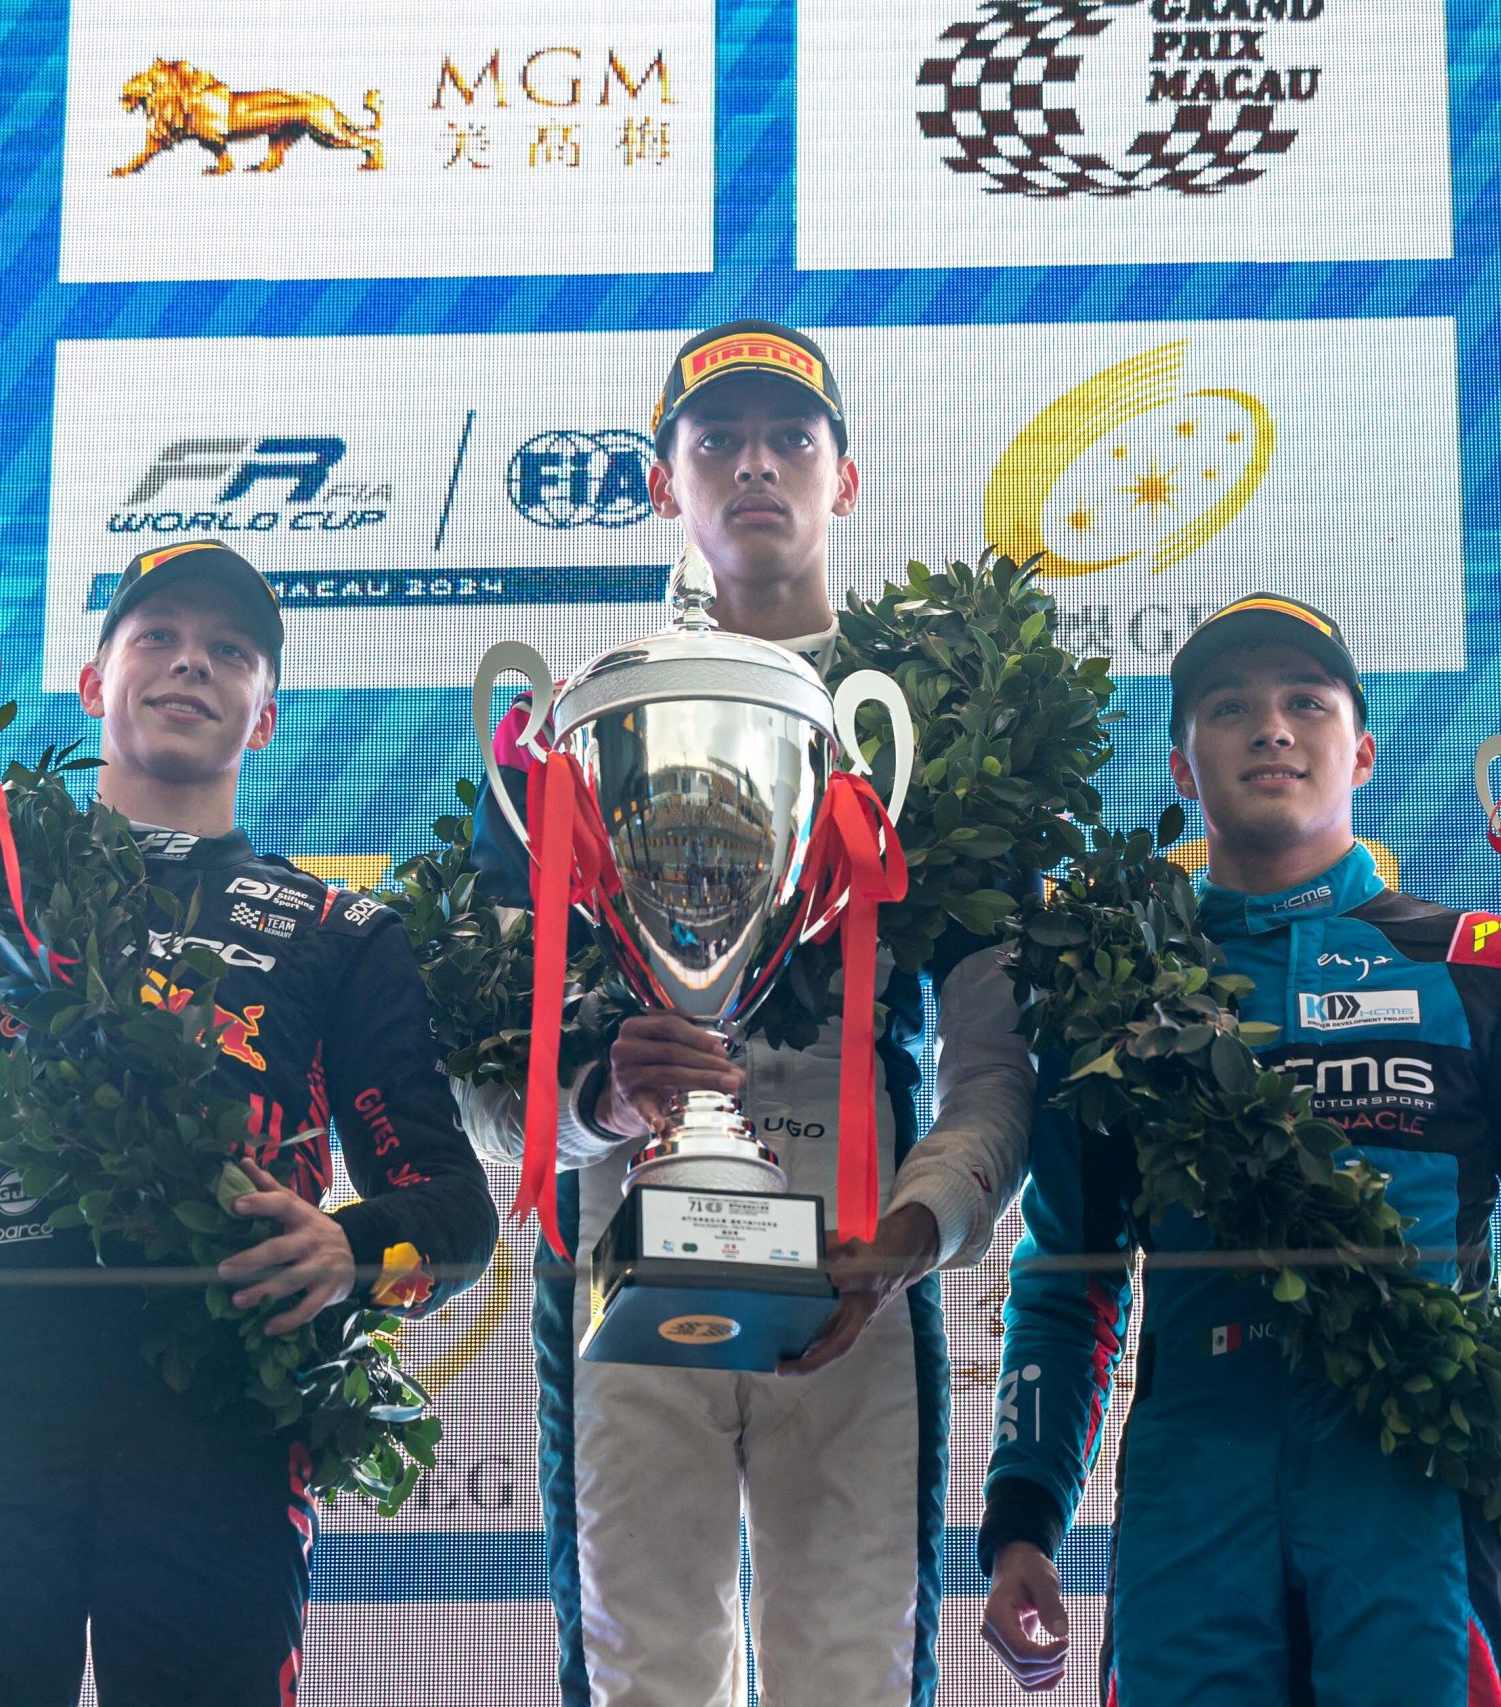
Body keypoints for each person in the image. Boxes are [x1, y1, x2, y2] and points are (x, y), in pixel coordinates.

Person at [0, 539, 499, 1707]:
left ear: (264, 716)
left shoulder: (341, 931)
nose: (191, 666)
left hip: (220, 1397)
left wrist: (350, 1248)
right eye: (157, 638)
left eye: (230, 651)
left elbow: (452, 1210)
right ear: (93, 683)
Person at [976, 593, 1501, 1705]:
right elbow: (1068, 1281)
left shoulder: (1479, 964)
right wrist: (1022, 1519)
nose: (1270, 726)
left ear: (1364, 753)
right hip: (1190, 1489)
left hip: (1417, 1487)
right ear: (1178, 765)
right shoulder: (1117, 994)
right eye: (1227, 706)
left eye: (1306, 700)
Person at [456, 320, 1038, 1706]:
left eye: (793, 438)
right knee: (643, 1667)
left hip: (861, 1247)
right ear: (665, 483)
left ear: (847, 478)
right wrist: (596, 1094)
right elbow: (485, 1068)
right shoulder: (572, 735)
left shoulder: (932, 733)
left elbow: (998, 1060)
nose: (756, 465)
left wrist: (918, 1226)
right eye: (717, 440)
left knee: (848, 1666)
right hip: (622, 1231)